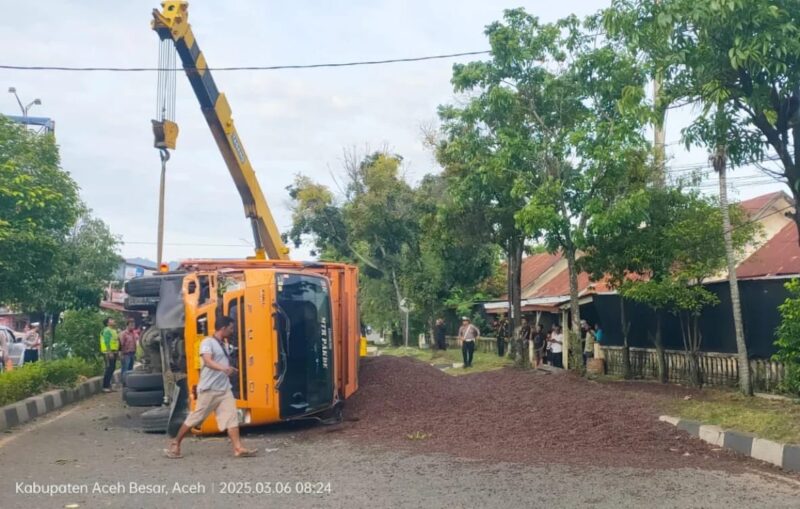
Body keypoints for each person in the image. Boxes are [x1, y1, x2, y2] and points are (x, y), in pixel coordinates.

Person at [165, 316, 257, 459]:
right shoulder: (207, 342)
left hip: (224, 389)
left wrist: (229, 368)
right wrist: (224, 369)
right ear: (223, 328)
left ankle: (238, 448)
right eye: (231, 328)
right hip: (209, 389)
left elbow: (220, 362)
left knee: (231, 417)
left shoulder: (224, 345)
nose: (232, 331)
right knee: (196, 418)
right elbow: (207, 361)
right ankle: (175, 443)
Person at [99, 317, 120, 392]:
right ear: (107, 323)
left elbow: (115, 342)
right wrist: (109, 352)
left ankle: (109, 386)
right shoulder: (107, 330)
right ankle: (105, 386)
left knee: (112, 368)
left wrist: (117, 351)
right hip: (108, 352)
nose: (114, 320)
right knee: (109, 369)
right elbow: (107, 341)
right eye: (111, 320)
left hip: (114, 351)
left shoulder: (113, 330)